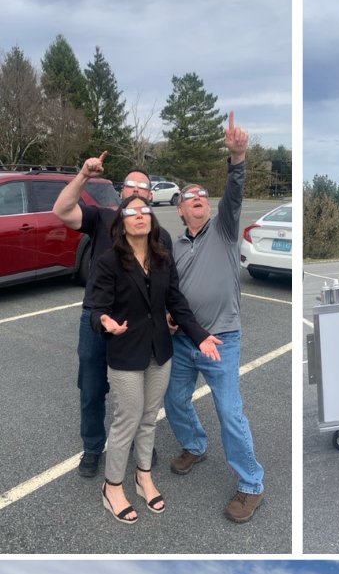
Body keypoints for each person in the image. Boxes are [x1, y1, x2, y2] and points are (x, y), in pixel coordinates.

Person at [89, 196, 221, 523]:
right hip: (125, 353)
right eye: (131, 212)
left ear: (152, 219)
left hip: (160, 351)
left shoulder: (162, 257)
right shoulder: (109, 261)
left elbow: (176, 301)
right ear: (121, 223)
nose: (139, 216)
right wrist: (104, 322)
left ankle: (143, 476)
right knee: (128, 418)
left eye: (144, 211)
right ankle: (112, 485)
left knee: (149, 417)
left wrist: (200, 335)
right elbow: (96, 307)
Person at [164, 112, 268, 522]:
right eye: (191, 197)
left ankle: (250, 485)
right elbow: (168, 292)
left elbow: (236, 192)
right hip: (184, 340)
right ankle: (195, 444)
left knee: (229, 411)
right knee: (173, 400)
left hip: (222, 339)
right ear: (181, 211)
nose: (199, 199)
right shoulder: (173, 246)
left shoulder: (224, 230)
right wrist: (170, 316)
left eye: (204, 195)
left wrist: (238, 157)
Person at [52, 155, 173, 478]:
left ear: (150, 195)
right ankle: (92, 448)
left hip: (139, 325)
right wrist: (83, 175)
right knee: (92, 388)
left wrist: (169, 316)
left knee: (138, 391)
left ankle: (136, 441)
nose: (136, 189)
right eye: (130, 184)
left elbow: (166, 285)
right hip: (97, 318)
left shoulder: (160, 236)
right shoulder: (102, 218)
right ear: (121, 192)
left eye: (143, 186)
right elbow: (61, 210)